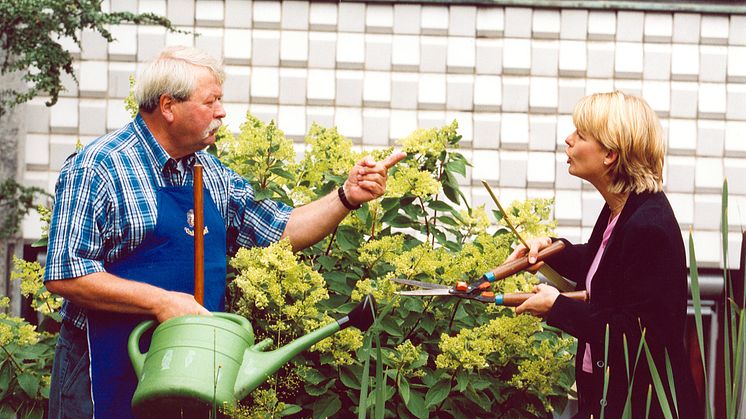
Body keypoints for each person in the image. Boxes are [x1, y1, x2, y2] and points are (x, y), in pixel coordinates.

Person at [43, 46, 406, 419]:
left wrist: (346, 196)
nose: (221, 112)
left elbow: (280, 230)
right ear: (168, 106)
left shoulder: (212, 173)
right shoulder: (100, 167)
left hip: (192, 373)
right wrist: (162, 302)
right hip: (103, 372)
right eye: (211, 101)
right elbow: (66, 274)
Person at [508, 91, 700, 418]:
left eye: (580, 135)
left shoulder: (649, 227)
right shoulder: (621, 208)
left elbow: (636, 334)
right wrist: (551, 250)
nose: (568, 140)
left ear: (610, 154)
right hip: (609, 396)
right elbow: (606, 266)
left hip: (641, 405)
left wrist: (557, 306)